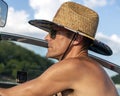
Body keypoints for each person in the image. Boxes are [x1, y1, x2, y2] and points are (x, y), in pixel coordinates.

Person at [0, 1, 119, 96]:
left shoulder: (74, 66)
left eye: (53, 33)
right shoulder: (88, 66)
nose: (46, 37)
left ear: (76, 38)